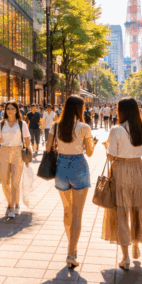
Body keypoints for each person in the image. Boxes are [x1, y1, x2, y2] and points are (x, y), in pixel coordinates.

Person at [102, 97, 142, 270]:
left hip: (120, 170)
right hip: (138, 170)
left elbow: (111, 156)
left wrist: (108, 147)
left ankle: (125, 257)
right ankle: (136, 244)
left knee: (121, 211)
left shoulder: (116, 130)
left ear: (121, 111)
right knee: (138, 209)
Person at [47, 96, 97, 268]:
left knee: (67, 211)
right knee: (77, 214)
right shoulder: (84, 127)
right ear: (79, 109)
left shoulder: (56, 126)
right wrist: (93, 144)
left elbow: (47, 148)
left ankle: (72, 248)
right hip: (79, 166)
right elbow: (89, 153)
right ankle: (71, 251)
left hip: (61, 167)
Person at [0, 101, 31, 219]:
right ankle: (12, 202)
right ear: (5, 110)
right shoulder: (1, 123)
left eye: (12, 109)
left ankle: (12, 206)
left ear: (17, 110)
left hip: (18, 152)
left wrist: (28, 150)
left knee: (15, 181)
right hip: (4, 152)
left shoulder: (22, 124)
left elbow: (27, 141)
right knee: (4, 181)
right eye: (8, 109)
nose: (10, 111)